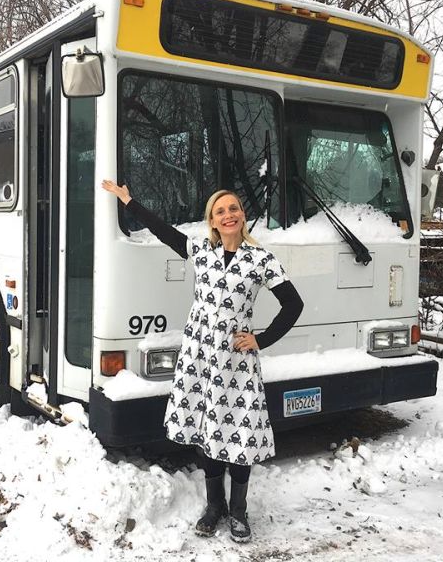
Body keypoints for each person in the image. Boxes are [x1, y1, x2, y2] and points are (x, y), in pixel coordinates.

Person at [102, 180, 304, 543]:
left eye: (234, 209)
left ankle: (239, 511)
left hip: (237, 363)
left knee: (239, 434)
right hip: (201, 360)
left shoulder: (261, 260)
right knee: (210, 432)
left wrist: (260, 339)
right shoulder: (201, 251)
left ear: (243, 217)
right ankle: (215, 507)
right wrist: (129, 200)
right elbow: (163, 231)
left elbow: (293, 304)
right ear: (212, 221)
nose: (229, 215)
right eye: (220, 211)